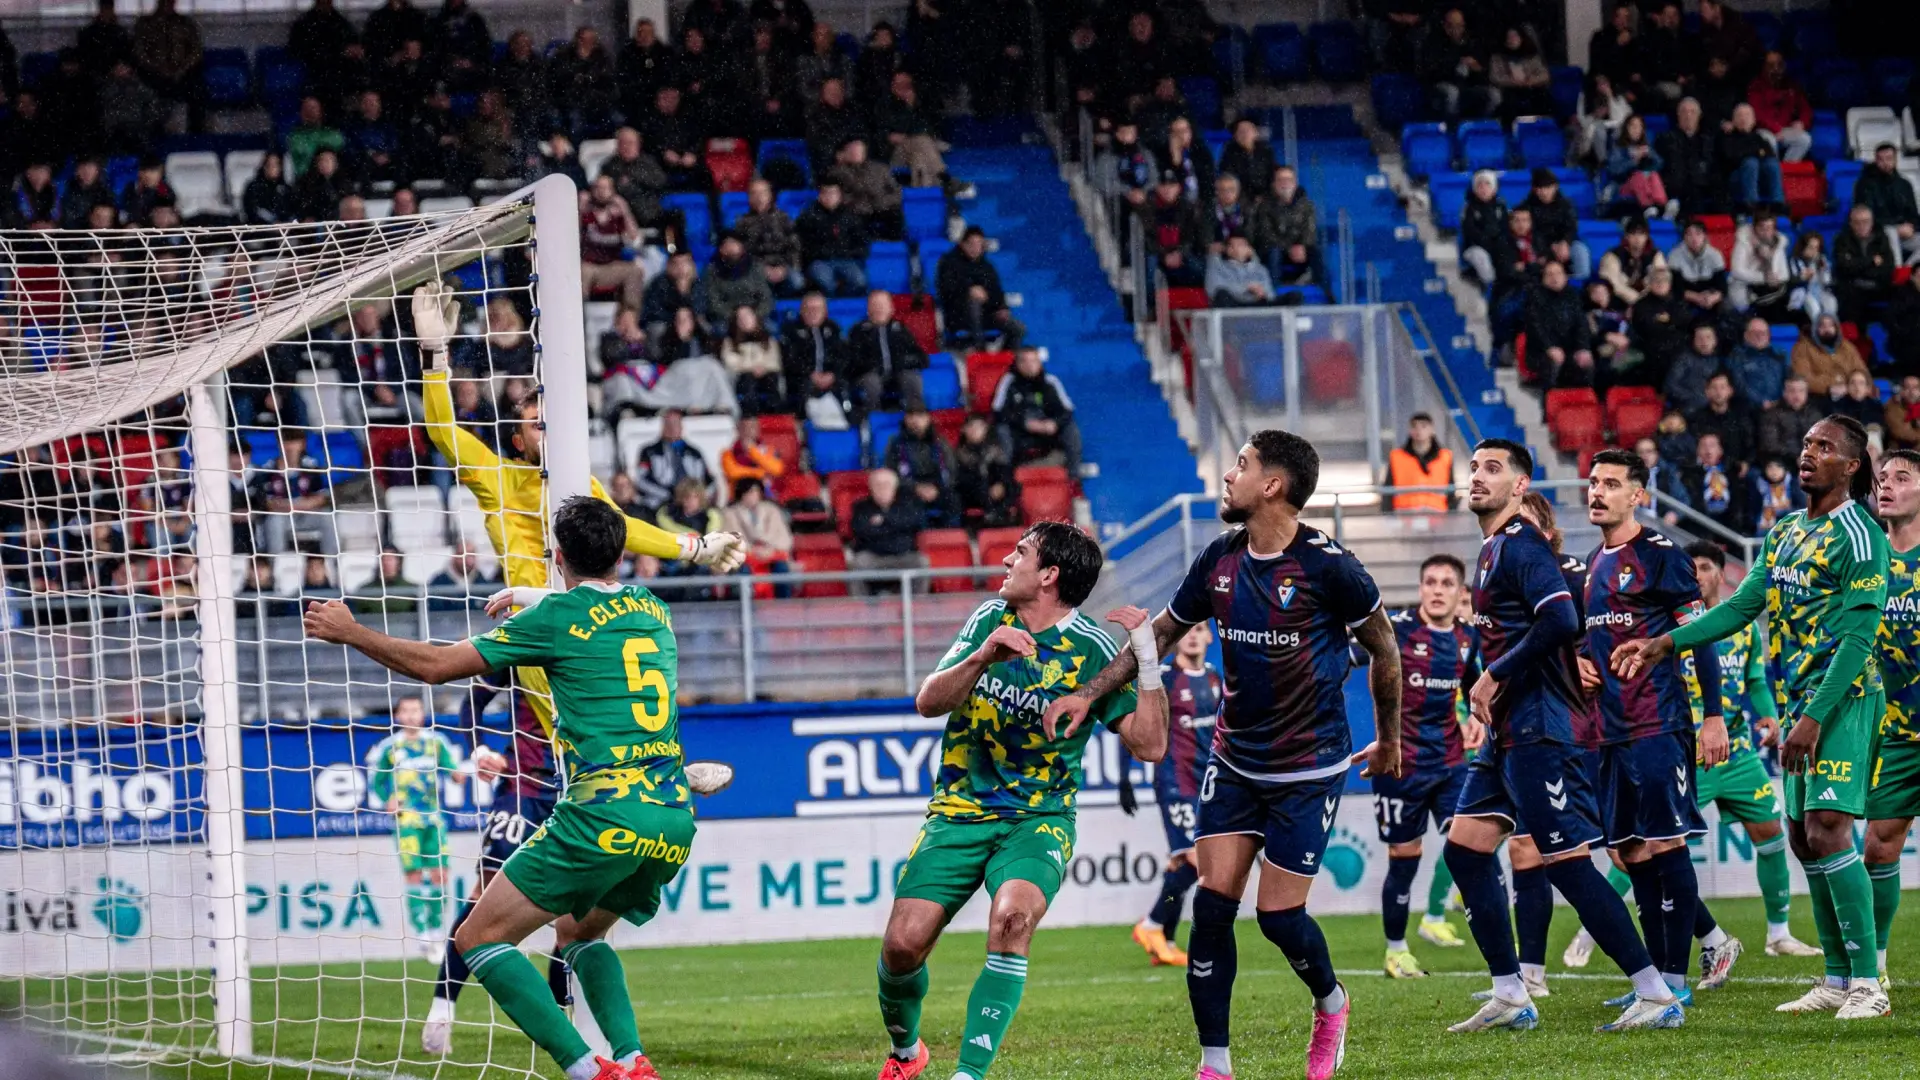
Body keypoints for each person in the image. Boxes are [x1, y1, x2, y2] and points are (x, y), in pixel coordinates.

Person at [303, 496, 703, 1080]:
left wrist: (353, 630)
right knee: (580, 932)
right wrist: (528, 596)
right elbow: (588, 608)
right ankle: (632, 1059)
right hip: (672, 817)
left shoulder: (552, 622)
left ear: (557, 556)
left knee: (479, 938)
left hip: (602, 813)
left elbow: (437, 668)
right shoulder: (654, 610)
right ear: (622, 553)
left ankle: (589, 1070)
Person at [1046, 428, 1400, 1079]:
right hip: (1234, 764)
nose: (1227, 477)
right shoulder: (1219, 560)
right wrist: (1089, 694)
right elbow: (1159, 631)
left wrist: (1391, 739)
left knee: (1277, 916)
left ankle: (1331, 1003)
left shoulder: (1330, 568)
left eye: (1240, 465)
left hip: (1309, 770)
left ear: (1273, 485)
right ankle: (1215, 1065)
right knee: (1212, 904)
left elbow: (1385, 648)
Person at [1612, 415, 1890, 1019]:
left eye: (1825, 447)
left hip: (1843, 700)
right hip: (1800, 703)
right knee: (1800, 838)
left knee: (1828, 831)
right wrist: (1666, 643)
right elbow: (1741, 606)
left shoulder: (1862, 534)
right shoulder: (1786, 530)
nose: (1807, 453)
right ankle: (1838, 979)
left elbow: (1861, 634)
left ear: (1851, 466)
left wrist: (1815, 715)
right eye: (1807, 443)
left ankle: (1870, 982)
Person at [871, 523, 1162, 1080]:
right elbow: (928, 703)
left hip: (1039, 818)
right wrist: (982, 657)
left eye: (1021, 553)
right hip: (957, 811)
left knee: (1012, 921)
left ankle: (969, 1074)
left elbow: (1149, 744)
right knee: (902, 949)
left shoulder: (1094, 650)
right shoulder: (990, 618)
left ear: (1049, 575)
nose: (1007, 558)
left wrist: (1145, 659)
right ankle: (907, 1053)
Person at [1440, 439, 1676, 1034]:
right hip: (1508, 731)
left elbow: (1562, 619)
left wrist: (1495, 675)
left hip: (1543, 726)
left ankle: (1654, 992)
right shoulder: (1492, 547)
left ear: (1521, 486)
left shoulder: (1523, 545)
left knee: (1566, 864)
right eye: (1473, 467)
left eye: (1492, 469)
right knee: (1465, 850)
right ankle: (1510, 992)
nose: (1477, 477)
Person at [1581, 449, 1724, 1002]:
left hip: (1657, 723)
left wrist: (1712, 717)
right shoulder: (1594, 560)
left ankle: (1675, 981)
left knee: (1666, 844)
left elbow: (1702, 634)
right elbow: (1589, 640)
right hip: (1609, 730)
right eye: (1594, 483)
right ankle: (1656, 980)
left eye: (1612, 484)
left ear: (1637, 495)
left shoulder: (1660, 554)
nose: (1597, 492)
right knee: (1630, 852)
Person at [1369, 555, 1483, 979]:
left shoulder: (1468, 638)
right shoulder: (1396, 631)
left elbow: (1475, 684)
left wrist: (1478, 718)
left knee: (1470, 848)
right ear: (1421, 589)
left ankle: (1499, 954)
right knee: (1405, 857)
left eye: (1447, 583)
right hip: (1400, 765)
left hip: (1451, 762)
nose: (1437, 590)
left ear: (1459, 594)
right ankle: (1396, 951)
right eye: (1430, 582)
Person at [1866, 452, 1920, 981]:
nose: (1888, 486)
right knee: (1878, 844)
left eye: (1902, 478)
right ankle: (1874, 973)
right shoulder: (1867, 561)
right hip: (1896, 734)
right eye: (1882, 479)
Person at [364, 695, 460, 952]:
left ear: (423, 713)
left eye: (415, 710)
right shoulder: (389, 747)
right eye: (405, 711)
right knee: (415, 875)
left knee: (440, 873)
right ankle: (422, 933)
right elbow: (376, 782)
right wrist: (389, 798)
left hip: (434, 818)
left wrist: (458, 775)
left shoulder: (436, 742)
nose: (411, 715)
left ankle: (438, 928)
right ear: (397, 715)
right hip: (407, 820)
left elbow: (453, 770)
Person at [993, 347, 1083, 478]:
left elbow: (1067, 410)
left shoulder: (1050, 381)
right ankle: (1006, 479)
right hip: (1020, 431)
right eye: (1024, 361)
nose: (1029, 366)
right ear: (1017, 364)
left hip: (1046, 431)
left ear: (1039, 363)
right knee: (1001, 429)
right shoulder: (1008, 381)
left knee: (1071, 429)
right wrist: (1025, 423)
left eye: (1033, 361)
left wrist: (1054, 423)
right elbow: (998, 411)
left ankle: (1074, 481)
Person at [936, 225, 1024, 349]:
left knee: (1018, 328)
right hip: (958, 315)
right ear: (962, 244)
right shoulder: (948, 263)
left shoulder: (987, 267)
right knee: (974, 303)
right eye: (971, 244)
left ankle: (1007, 361)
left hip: (987, 315)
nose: (975, 248)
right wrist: (968, 291)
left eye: (979, 244)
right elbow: (945, 290)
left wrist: (1002, 307)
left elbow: (996, 290)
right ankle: (980, 351)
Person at [847, 290, 929, 414]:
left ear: (891, 308)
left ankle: (916, 417)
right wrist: (872, 366)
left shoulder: (901, 329)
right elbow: (852, 361)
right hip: (870, 377)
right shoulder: (859, 331)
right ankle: (874, 419)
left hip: (898, 375)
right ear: (868, 309)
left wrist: (902, 363)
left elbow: (921, 358)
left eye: (883, 305)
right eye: (875, 305)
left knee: (912, 378)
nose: (879, 309)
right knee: (872, 382)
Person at [848, 468, 926, 595]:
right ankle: (861, 609)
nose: (882, 489)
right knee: (856, 564)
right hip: (874, 556)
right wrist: (895, 526)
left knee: (921, 562)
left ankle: (915, 608)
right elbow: (862, 531)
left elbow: (914, 524)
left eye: (886, 485)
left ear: (895, 488)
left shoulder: (907, 506)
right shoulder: (861, 507)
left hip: (902, 555)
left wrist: (884, 520)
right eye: (878, 485)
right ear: (871, 488)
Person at [578, 175, 645, 313]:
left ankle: (629, 320)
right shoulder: (586, 213)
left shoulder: (618, 216)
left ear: (613, 191)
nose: (601, 191)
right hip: (589, 266)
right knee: (580, 272)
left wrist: (625, 210)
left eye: (605, 188)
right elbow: (572, 236)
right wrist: (579, 209)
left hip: (611, 266)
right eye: (597, 187)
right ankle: (577, 319)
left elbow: (636, 240)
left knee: (635, 270)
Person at [1524, 261, 1593, 387]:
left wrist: (1583, 347)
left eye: (1558, 273)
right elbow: (1536, 327)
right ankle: (1549, 400)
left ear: (1565, 276)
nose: (1554, 278)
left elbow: (1581, 324)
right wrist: (1549, 347)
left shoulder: (1573, 295)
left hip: (1569, 349)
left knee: (1586, 359)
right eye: (1549, 275)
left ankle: (1585, 401)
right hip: (1541, 351)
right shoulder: (1534, 297)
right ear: (1543, 279)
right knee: (1553, 361)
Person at [795, 180, 869, 297]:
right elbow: (803, 244)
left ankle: (844, 304)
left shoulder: (851, 216)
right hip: (820, 261)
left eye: (833, 193)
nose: (829, 197)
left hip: (846, 259)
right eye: (825, 193)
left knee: (860, 281)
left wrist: (849, 254)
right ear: (819, 196)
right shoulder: (809, 217)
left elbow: (862, 243)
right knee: (826, 283)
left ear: (840, 196)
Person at [1422, 7, 1497, 119]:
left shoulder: (1471, 42)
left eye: (1460, 25)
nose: (1456, 29)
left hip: (1468, 86)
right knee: (1452, 92)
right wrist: (1455, 63)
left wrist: (1476, 68)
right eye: (1451, 25)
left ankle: (1480, 126)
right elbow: (1431, 72)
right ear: (1445, 26)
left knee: (1494, 94)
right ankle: (1453, 129)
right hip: (1441, 85)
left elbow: (1483, 72)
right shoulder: (1434, 42)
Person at [1138, 168, 1206, 289]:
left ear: (1179, 188)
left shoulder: (1187, 207)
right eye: (1163, 186)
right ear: (1157, 188)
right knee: (1149, 265)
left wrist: (1179, 253)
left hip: (1180, 253)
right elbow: (1146, 238)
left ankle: (1194, 301)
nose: (1167, 190)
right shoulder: (1147, 207)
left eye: (1172, 185)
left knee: (1198, 267)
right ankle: (1150, 305)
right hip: (1157, 254)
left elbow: (1190, 237)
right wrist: (1163, 255)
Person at [1853, 143, 1920, 267]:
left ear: (1895, 160)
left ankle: (1907, 271)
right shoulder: (1865, 185)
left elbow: (1913, 213)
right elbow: (1865, 217)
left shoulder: (1904, 184)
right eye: (1880, 159)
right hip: (1878, 231)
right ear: (1876, 160)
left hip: (1904, 232)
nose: (1885, 163)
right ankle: (1896, 272)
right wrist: (1896, 228)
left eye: (1889, 158)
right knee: (1891, 233)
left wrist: (1912, 227)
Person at [735, 177, 802, 297]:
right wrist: (762, 269)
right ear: (749, 197)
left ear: (770, 195)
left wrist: (784, 268)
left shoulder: (784, 218)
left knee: (798, 282)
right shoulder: (742, 223)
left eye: (763, 192)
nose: (759, 197)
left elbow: (794, 247)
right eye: (754, 193)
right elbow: (743, 253)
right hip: (758, 270)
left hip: (783, 267)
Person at [954, 414, 1021, 528]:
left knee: (1012, 484)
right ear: (964, 430)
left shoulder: (994, 450)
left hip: (994, 491)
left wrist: (1000, 485)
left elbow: (1004, 471)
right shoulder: (959, 453)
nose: (975, 431)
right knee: (979, 484)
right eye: (971, 427)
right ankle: (992, 516)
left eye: (979, 427)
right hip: (972, 493)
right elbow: (961, 479)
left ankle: (1002, 515)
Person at [1658, 98, 1721, 218]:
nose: (1688, 116)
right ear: (1678, 115)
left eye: (1692, 112)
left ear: (1699, 116)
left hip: (1703, 183)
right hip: (1677, 184)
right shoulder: (1666, 138)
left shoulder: (1707, 139)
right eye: (1684, 112)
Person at [1747, 50, 1814, 163]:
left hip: (1784, 130)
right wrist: (1776, 129)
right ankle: (1773, 174)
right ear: (1764, 67)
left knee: (1804, 139)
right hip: (1763, 130)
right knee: (1769, 141)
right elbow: (1757, 114)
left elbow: (1805, 109)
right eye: (1771, 65)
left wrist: (1802, 122)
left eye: (1779, 64)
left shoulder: (1791, 86)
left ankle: (1785, 171)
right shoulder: (1756, 87)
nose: (1776, 69)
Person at [722, 476, 793, 580]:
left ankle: (784, 597)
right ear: (741, 494)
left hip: (771, 554)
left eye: (755, 492)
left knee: (781, 567)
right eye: (749, 492)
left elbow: (783, 538)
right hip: (745, 558)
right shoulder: (730, 513)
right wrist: (753, 550)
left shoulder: (772, 511)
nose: (752, 496)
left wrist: (769, 549)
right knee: (741, 569)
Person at [720, 304, 783, 417]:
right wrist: (751, 368)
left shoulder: (768, 340)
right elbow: (730, 363)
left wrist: (763, 368)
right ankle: (750, 416)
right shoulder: (730, 342)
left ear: (755, 318)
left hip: (765, 375)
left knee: (772, 379)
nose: (744, 320)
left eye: (747, 316)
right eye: (740, 318)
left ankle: (774, 415)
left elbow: (774, 361)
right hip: (741, 377)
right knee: (748, 380)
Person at [702, 231, 774, 328]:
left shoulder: (755, 266)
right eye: (727, 244)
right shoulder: (712, 270)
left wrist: (754, 315)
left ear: (742, 247)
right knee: (718, 330)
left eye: (734, 243)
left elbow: (766, 297)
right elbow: (713, 301)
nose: (732, 248)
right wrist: (734, 315)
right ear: (721, 249)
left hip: (754, 314)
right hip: (727, 317)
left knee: (772, 328)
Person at [1720, 103, 1783, 212]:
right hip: (1735, 179)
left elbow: (1769, 155)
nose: (1743, 118)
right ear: (1733, 120)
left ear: (1753, 120)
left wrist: (1748, 153)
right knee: (1751, 162)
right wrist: (1756, 153)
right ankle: (1751, 206)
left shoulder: (1759, 137)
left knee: (1772, 164)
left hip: (1758, 178)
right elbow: (1731, 158)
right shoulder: (1727, 138)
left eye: (1747, 115)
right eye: (1739, 115)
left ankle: (1778, 204)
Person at [1386, 412, 1452, 512]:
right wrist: (1387, 515)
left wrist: (1451, 516)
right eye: (1414, 426)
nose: (1419, 430)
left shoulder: (1445, 457)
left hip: (1437, 514)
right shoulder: (1397, 456)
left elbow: (1451, 489)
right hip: (1405, 514)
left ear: (1432, 430)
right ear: (1409, 430)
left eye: (1423, 426)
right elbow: (1388, 488)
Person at [1791, 314, 1867, 400]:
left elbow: (1863, 372)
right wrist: (1831, 386)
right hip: (1818, 398)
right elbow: (1803, 379)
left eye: (1831, 325)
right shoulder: (1802, 348)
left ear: (1837, 328)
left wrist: (1851, 387)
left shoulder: (1847, 347)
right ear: (1815, 329)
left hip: (1850, 396)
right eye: (1822, 326)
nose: (1827, 329)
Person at [1728, 215, 1790, 318]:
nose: (1766, 232)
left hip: (1770, 289)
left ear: (1774, 230)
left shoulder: (1778, 243)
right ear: (1754, 229)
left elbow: (1785, 275)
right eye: (1762, 228)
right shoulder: (1743, 242)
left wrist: (1769, 262)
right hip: (1745, 287)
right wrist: (1765, 278)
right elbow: (1736, 272)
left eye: (1769, 228)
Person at [1758, 375, 1824, 466]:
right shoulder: (1772, 414)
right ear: (1784, 393)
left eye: (1801, 391)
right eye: (1792, 391)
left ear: (1806, 393)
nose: (1796, 395)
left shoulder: (1814, 413)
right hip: (1782, 462)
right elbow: (1770, 444)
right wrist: (1797, 457)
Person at [1667, 220, 1727, 320]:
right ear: (1684, 237)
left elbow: (1723, 287)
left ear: (1704, 236)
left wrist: (1712, 298)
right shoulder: (1674, 256)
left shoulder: (1715, 255)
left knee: (1724, 309)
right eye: (1689, 234)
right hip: (1687, 295)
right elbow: (1676, 288)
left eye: (1698, 234)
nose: (1694, 238)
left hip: (1709, 294)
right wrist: (1697, 298)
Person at [1488, 26, 1551, 120]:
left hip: (1530, 88)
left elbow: (1545, 75)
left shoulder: (1531, 57)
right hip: (1509, 90)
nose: (1512, 40)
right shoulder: (1498, 58)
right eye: (1510, 37)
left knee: (1543, 97)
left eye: (1515, 36)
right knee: (1509, 102)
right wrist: (1512, 81)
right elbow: (1495, 77)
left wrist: (1531, 81)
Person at [1598, 218, 1663, 307]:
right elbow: (1614, 286)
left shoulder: (1655, 255)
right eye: (1633, 234)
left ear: (1647, 236)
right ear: (1626, 236)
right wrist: (1639, 302)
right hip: (1619, 303)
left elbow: (1662, 279)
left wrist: (1646, 300)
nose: (1637, 239)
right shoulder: (1612, 256)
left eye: (1641, 234)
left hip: (1650, 304)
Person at [1458, 170, 1508, 286]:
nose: (1484, 188)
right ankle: (1491, 286)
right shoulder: (1469, 208)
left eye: (1487, 184)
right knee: (1481, 256)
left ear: (1494, 188)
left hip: (1497, 244)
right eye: (1480, 185)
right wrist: (1488, 243)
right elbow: (1470, 231)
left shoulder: (1501, 206)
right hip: (1474, 247)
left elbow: (1505, 228)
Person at [1205, 233, 1283, 307]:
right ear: (1228, 249)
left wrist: (1261, 292)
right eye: (1235, 245)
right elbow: (1213, 291)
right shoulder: (1218, 266)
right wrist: (1246, 288)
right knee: (1222, 295)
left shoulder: (1260, 269)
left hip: (1257, 306)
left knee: (1291, 297)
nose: (1239, 249)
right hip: (1232, 307)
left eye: (1242, 245)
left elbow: (1271, 295)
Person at [1663, 324, 1722, 416]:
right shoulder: (1684, 359)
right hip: (1689, 408)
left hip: (1714, 407)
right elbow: (1670, 386)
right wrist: (1696, 397)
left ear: (1715, 340)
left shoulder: (1719, 361)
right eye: (1699, 338)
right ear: (1693, 341)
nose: (1704, 342)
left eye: (1708, 337)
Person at [1788, 231, 1837, 323]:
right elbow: (1792, 281)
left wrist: (1823, 270)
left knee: (1831, 303)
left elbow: (1828, 281)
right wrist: (1804, 277)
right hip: (1804, 292)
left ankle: (1830, 328)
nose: (1814, 251)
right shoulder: (1795, 260)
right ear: (1803, 247)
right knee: (1814, 308)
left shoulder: (1822, 260)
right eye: (1810, 247)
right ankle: (1817, 329)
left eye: (1816, 248)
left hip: (1821, 290)